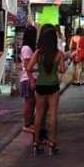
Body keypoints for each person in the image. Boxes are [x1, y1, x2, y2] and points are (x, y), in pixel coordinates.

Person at [27, 24, 67, 155]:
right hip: (53, 85)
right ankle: (52, 143)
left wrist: (36, 72)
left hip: (40, 85)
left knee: (38, 113)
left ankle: (36, 142)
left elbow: (28, 68)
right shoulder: (59, 54)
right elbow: (62, 70)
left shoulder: (38, 53)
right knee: (53, 114)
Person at [20, 25, 38, 134]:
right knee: (29, 102)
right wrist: (31, 79)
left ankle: (30, 122)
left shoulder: (29, 48)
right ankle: (27, 124)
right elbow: (27, 67)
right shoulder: (26, 49)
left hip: (31, 77)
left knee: (32, 102)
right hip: (28, 78)